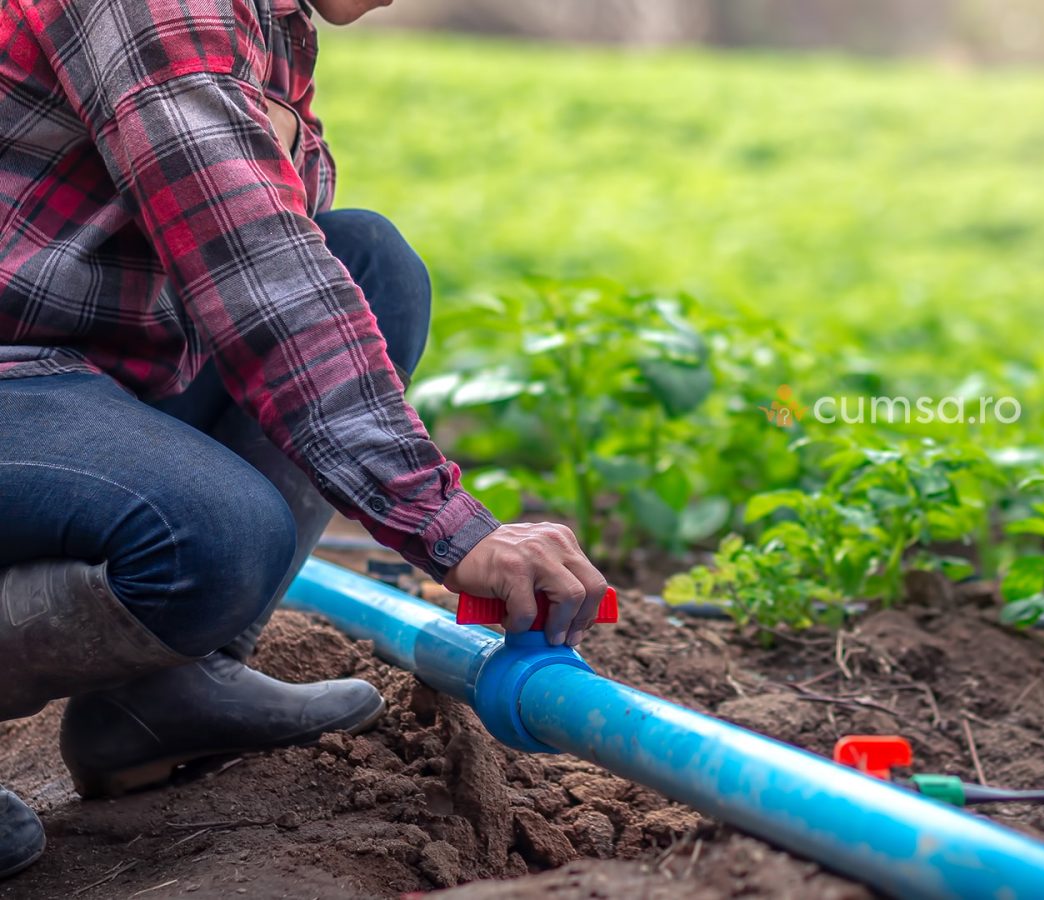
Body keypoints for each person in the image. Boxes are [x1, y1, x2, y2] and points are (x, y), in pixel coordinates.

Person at [0, 0, 609, 880]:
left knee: (368, 259)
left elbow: (282, 213)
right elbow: (260, 273)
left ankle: (159, 699)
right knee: (210, 539)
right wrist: (452, 526)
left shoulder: (270, 17)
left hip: (71, 365)